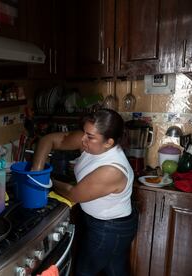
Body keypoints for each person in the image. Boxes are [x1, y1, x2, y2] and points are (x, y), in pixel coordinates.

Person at [31, 108, 138, 276]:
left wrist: (45, 180)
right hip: (106, 222)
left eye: (89, 136)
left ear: (108, 143)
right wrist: (36, 171)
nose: (82, 139)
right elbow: (49, 139)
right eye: (84, 132)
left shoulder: (113, 170)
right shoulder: (90, 141)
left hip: (110, 229)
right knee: (114, 270)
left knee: (84, 272)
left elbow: (74, 193)